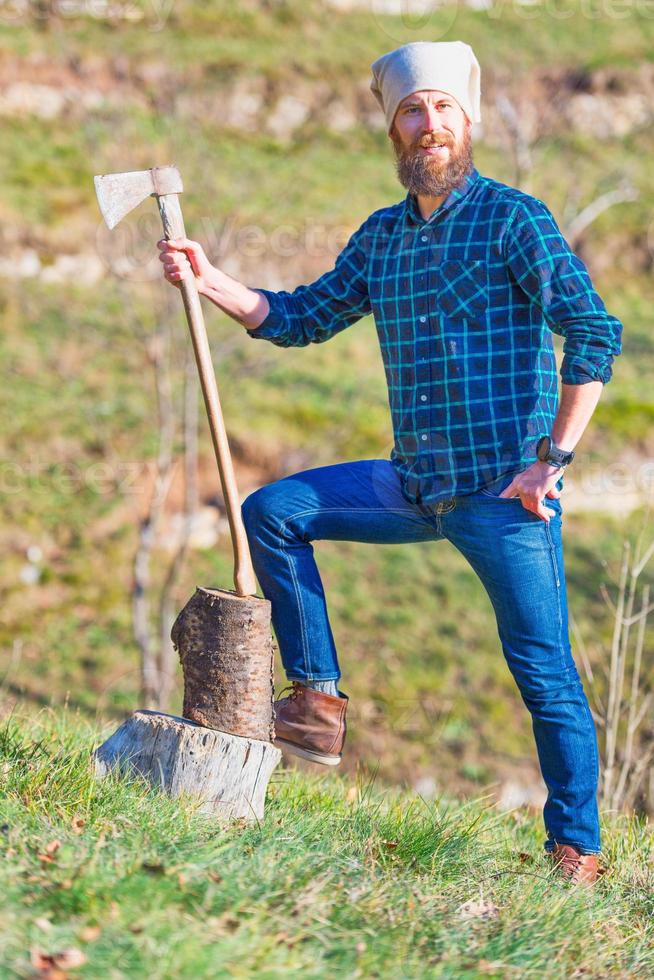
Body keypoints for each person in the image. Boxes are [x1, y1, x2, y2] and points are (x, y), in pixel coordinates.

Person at [158, 41, 622, 884]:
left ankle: (576, 850)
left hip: (502, 493)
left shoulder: (515, 220)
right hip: (409, 485)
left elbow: (595, 332)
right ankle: (318, 700)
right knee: (272, 511)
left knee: (545, 676)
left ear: (468, 120)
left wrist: (551, 461)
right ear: (394, 129)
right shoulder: (381, 240)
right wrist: (211, 279)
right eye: (413, 110)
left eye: (443, 107)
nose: (429, 123)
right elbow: (298, 317)